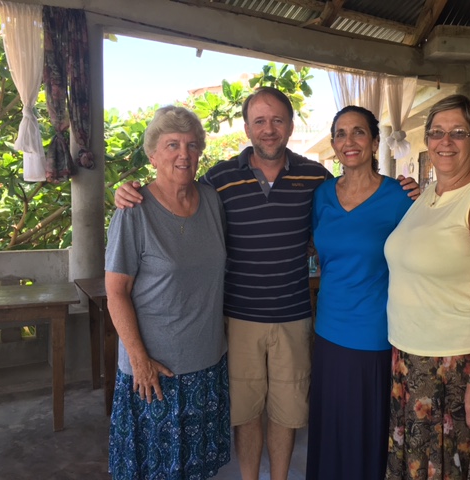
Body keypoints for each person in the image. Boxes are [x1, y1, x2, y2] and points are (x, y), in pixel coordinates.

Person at [115, 88, 419, 480]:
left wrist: (409, 189)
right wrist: (129, 191)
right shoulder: (219, 179)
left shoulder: (317, 179)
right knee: (246, 412)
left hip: (294, 316)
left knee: (287, 412)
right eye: (259, 121)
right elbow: (177, 188)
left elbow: (351, 211)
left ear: (291, 126)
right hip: (239, 318)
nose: (269, 129)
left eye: (277, 120)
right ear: (246, 128)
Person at [383, 94, 470, 479]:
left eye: (459, 132)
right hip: (412, 362)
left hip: (456, 369)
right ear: (426, 140)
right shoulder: (428, 194)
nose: (446, 141)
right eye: (437, 132)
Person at [105, 106, 230, 479]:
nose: (183, 154)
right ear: (153, 154)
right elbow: (116, 292)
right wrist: (139, 360)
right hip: (155, 373)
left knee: (197, 468)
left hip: (207, 365)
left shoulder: (211, 201)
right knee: (153, 469)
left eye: (192, 145)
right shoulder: (133, 211)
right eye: (172, 144)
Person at [306, 106, 413, 480]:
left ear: (374, 141)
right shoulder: (321, 196)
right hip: (328, 333)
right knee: (331, 430)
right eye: (340, 133)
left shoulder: (400, 197)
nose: (348, 141)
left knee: (367, 433)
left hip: (375, 337)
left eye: (358, 132)